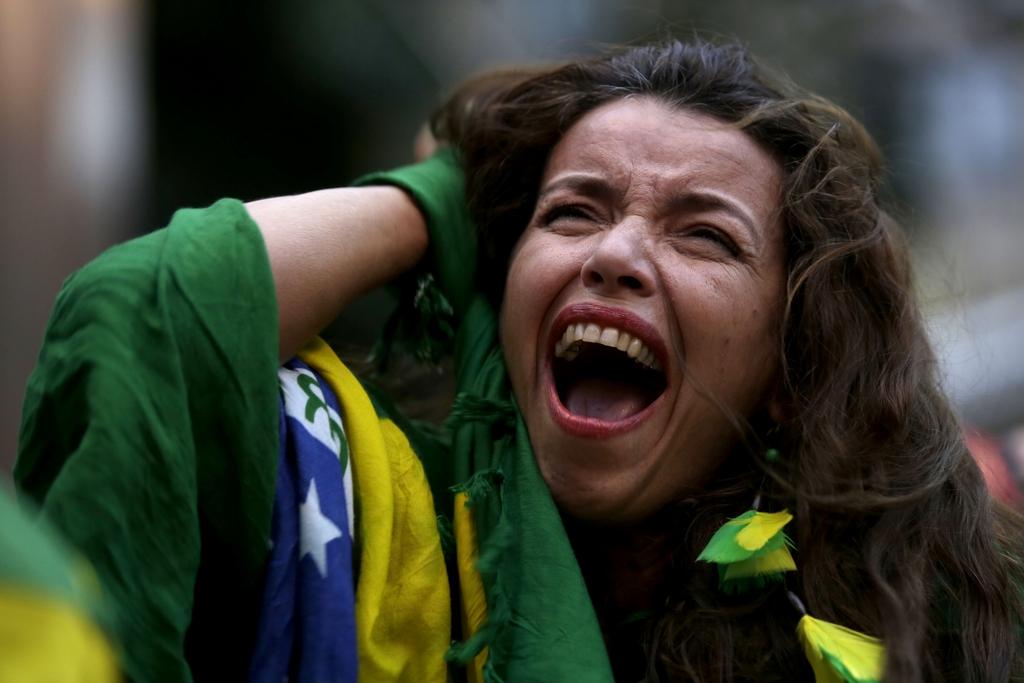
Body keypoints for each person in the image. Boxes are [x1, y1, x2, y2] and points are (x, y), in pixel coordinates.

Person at [14, 39, 1024, 682]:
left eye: (704, 235)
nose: (615, 254)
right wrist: (443, 196)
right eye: (571, 210)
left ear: (788, 377)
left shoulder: (932, 624)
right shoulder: (371, 520)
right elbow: (140, 315)